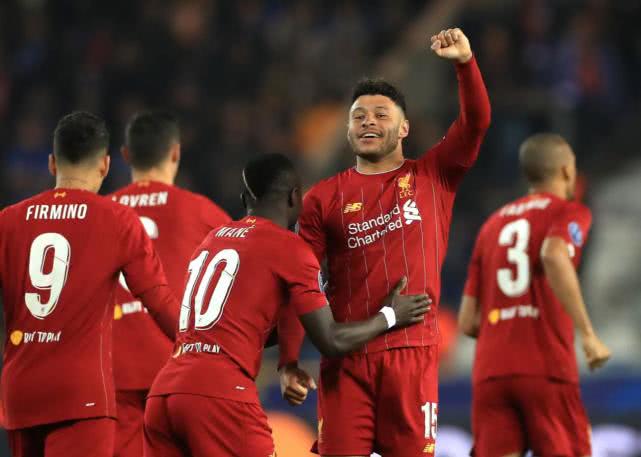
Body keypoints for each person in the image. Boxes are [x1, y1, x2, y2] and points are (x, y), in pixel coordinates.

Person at [278, 28, 491, 457]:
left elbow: (476, 124)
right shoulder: (322, 198)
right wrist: (288, 360)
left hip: (411, 356)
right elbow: (301, 284)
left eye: (380, 114)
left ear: (404, 127)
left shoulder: (433, 176)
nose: (368, 122)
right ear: (348, 130)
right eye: (358, 116)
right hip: (346, 361)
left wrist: (465, 64)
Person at [143, 153, 431, 457]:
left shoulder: (213, 239)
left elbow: (239, 324)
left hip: (164, 394)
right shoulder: (289, 247)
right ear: (295, 197)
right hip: (220, 395)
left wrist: (300, 334)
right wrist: (389, 316)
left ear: (245, 199)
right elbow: (331, 340)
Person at [0, 112, 179, 457]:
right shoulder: (117, 219)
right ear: (105, 165)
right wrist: (201, 345)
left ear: (52, 163)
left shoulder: (8, 221)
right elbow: (158, 299)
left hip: (20, 391)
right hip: (80, 395)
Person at [458, 133, 611, 457]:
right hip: (546, 367)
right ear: (567, 170)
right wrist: (587, 334)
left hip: (491, 372)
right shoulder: (569, 212)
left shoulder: (491, 226)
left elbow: (467, 322)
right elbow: (554, 254)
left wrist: (507, 324)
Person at [109, 111, 230, 457]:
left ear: (126, 155)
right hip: (179, 367)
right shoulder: (199, 210)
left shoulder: (102, 211)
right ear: (175, 152)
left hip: (113, 369)